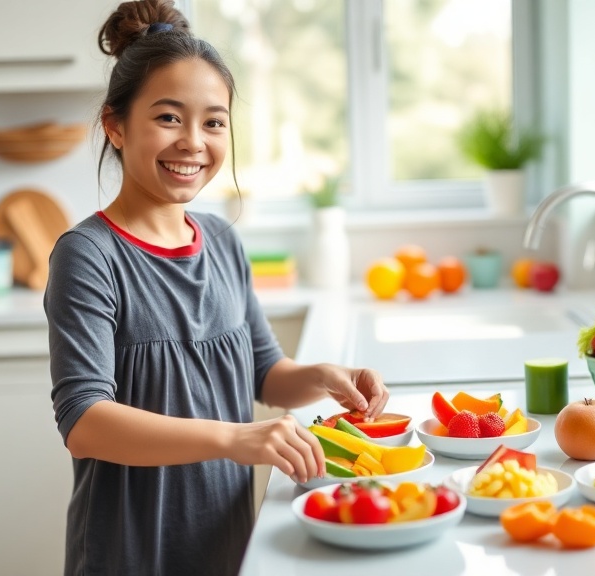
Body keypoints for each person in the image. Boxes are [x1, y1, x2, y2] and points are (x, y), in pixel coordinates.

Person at [44, 1, 389, 574]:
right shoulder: (89, 255)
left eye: (213, 121)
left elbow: (263, 372)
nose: (193, 142)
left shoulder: (222, 242)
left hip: (226, 541)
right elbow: (84, 423)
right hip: (131, 552)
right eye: (168, 117)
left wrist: (324, 377)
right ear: (115, 124)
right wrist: (235, 439)